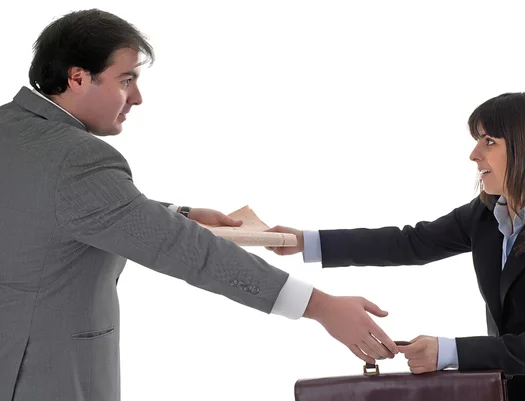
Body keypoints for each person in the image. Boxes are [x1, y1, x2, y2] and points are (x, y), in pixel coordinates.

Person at [0, 9, 399, 401]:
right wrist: (321, 306)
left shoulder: (11, 127)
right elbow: (186, 251)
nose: (137, 98)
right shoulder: (78, 158)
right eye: (126, 80)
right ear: (77, 77)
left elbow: (45, 203)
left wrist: (181, 214)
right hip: (42, 374)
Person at [267, 92, 525, 401]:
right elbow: (409, 242)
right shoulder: (485, 215)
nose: (474, 155)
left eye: (489, 141)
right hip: (508, 388)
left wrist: (447, 353)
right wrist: (304, 242)